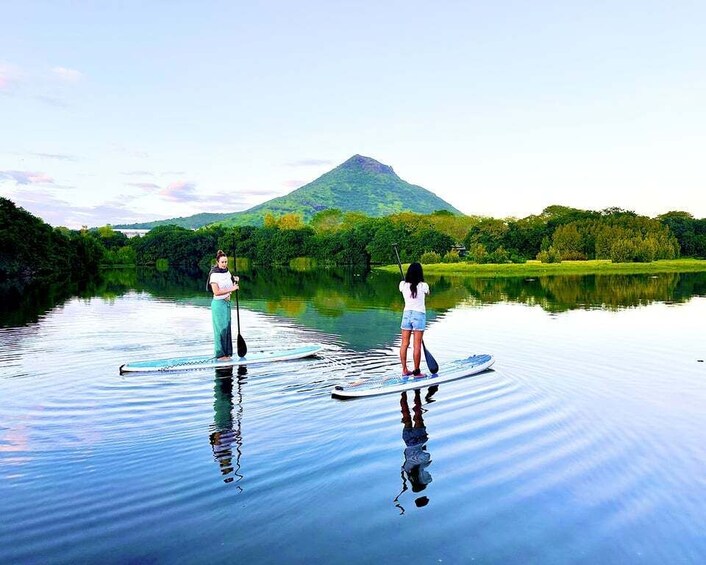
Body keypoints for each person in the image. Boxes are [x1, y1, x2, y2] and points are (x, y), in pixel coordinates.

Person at [399, 262, 430, 377]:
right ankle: (417, 372)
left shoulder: (402, 284)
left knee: (404, 344)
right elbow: (428, 293)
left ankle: (404, 370)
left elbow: (403, 287)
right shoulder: (423, 286)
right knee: (417, 345)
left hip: (406, 315)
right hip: (419, 315)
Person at [208, 250, 239, 360]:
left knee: (227, 329)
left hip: (227, 304)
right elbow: (216, 292)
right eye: (222, 262)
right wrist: (232, 288)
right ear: (217, 262)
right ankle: (220, 355)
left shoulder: (227, 272)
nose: (225, 264)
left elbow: (229, 284)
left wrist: (234, 280)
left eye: (226, 262)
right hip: (218, 305)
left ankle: (227, 353)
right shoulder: (214, 275)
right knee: (220, 330)